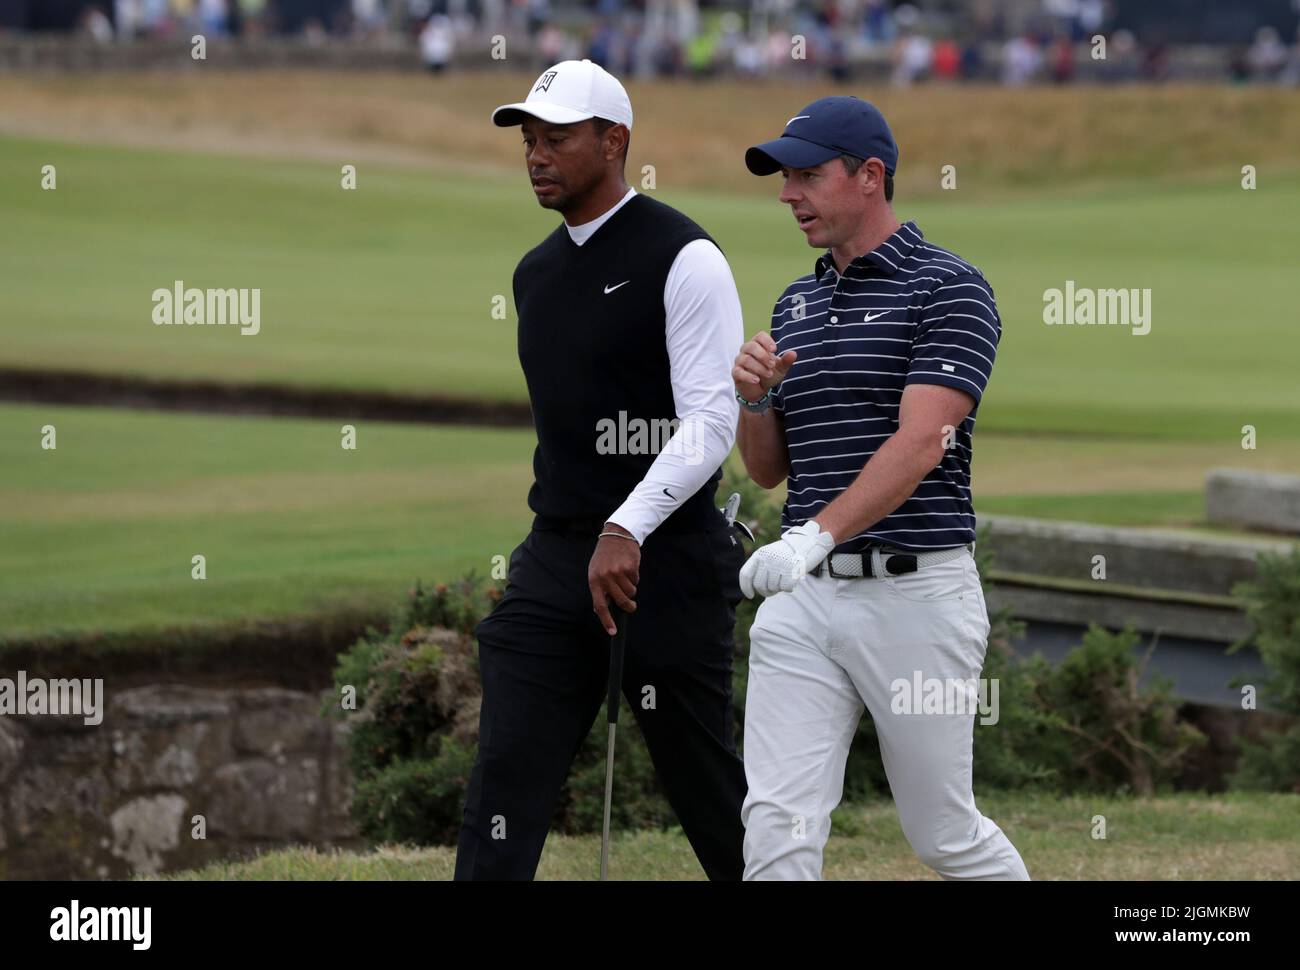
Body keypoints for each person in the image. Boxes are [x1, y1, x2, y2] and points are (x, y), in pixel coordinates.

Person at [454, 59, 748, 880]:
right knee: (505, 776)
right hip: (556, 557)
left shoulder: (685, 257)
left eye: (557, 139)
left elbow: (712, 421)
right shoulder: (536, 273)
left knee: (704, 787)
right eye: (528, 141)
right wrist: (591, 529)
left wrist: (629, 523)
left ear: (614, 141)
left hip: (668, 559)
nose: (536, 156)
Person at [732, 96, 1030, 881]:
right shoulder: (794, 303)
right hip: (805, 601)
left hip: (915, 594)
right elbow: (767, 471)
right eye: (783, 177)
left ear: (870, 177)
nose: (788, 194)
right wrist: (754, 396)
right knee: (775, 828)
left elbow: (923, 442)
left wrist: (813, 537)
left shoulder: (950, 289)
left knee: (943, 836)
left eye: (806, 175)